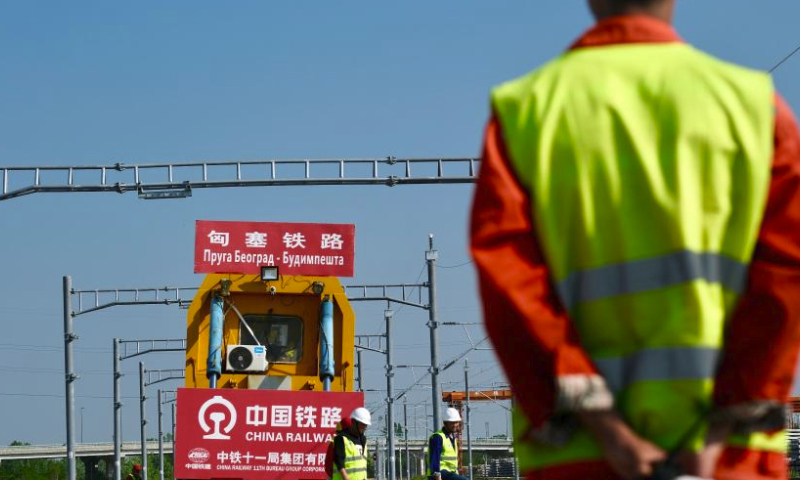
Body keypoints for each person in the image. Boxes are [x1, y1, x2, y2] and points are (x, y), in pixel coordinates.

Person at [470, 1, 800, 479]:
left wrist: (610, 432)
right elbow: (786, 276)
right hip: (727, 456)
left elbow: (511, 289)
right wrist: (718, 428)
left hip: (585, 453)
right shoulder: (751, 104)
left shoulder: (529, 108)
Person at [427, 407, 467, 480]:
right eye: (452, 422)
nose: (455, 425)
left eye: (456, 422)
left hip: (450, 474)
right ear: (445, 423)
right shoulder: (438, 437)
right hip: (441, 473)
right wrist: (437, 475)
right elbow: (435, 458)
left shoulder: (452, 439)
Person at [332, 407, 370, 480]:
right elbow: (338, 460)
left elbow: (361, 463)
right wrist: (345, 477)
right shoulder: (341, 438)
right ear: (353, 422)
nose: (364, 427)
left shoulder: (363, 440)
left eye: (365, 425)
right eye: (362, 424)